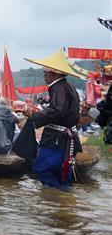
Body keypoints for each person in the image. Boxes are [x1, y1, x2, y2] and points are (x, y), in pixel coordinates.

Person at [23, 50, 83, 189]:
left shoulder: (58, 87)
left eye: (45, 72)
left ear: (53, 72)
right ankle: (63, 202)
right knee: (63, 172)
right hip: (66, 137)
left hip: (57, 138)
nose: (44, 76)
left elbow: (57, 111)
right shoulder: (68, 87)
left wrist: (33, 114)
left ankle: (57, 196)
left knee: (41, 168)